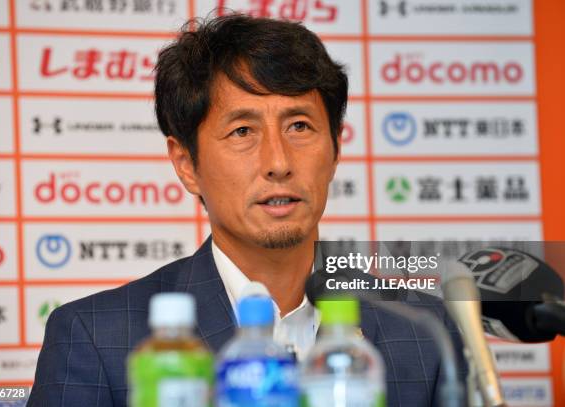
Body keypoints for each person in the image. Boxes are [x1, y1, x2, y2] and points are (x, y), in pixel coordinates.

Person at [28, 14, 466, 406]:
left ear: (335, 150)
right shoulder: (97, 336)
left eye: (299, 126)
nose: (278, 162)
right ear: (187, 165)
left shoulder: (424, 331)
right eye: (242, 131)